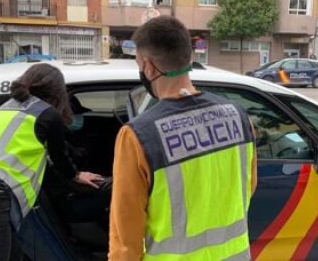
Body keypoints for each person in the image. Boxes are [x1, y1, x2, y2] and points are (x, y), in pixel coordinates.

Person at [109, 16, 257, 261]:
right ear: (188, 58)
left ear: (148, 67)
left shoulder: (137, 136)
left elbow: (126, 238)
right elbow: (247, 188)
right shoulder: (239, 117)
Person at [0, 63, 103, 261]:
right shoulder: (48, 115)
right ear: (59, 92)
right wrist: (76, 175)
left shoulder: (5, 108)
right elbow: (61, 159)